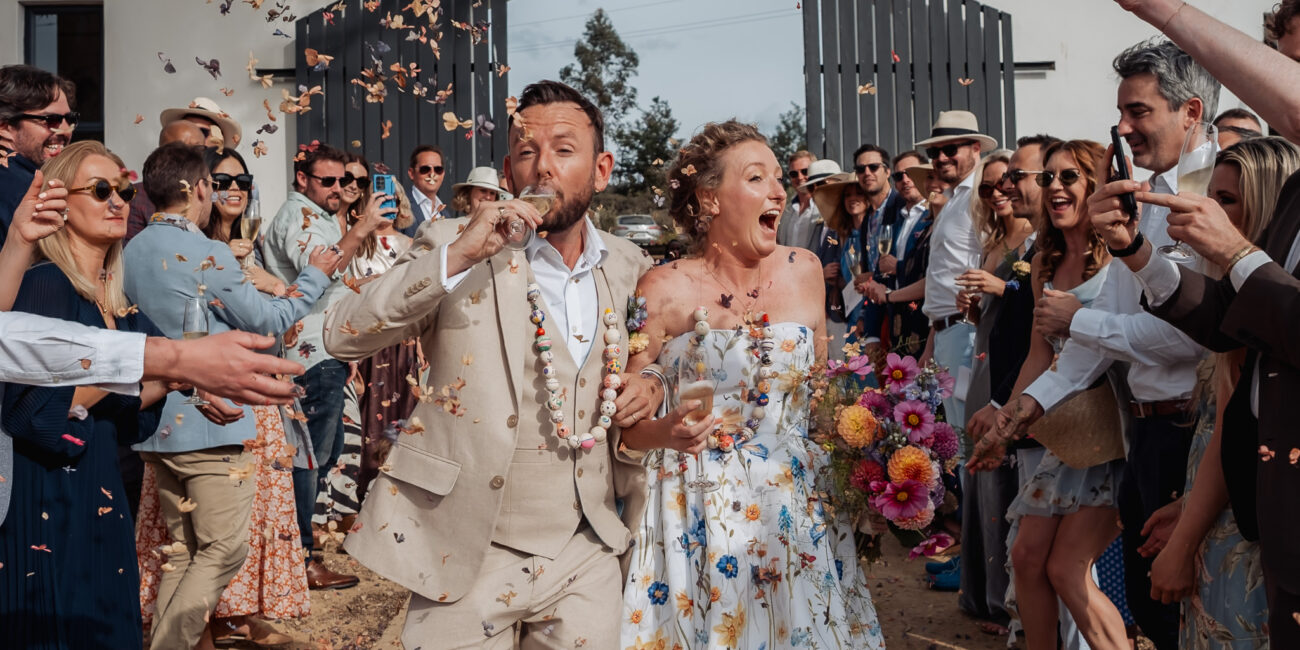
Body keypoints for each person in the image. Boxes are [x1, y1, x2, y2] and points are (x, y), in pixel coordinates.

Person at [322, 79, 662, 648]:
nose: (543, 168)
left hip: (587, 548)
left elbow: (659, 356)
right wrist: (458, 256)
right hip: (466, 549)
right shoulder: (452, 240)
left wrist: (650, 379)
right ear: (508, 172)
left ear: (601, 170)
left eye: (563, 148)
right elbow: (343, 332)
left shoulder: (629, 264)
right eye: (527, 152)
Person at [617, 119, 884, 650]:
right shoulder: (661, 287)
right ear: (711, 199)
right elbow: (627, 428)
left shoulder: (805, 269)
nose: (780, 192)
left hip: (796, 507)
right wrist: (666, 432)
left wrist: (872, 451)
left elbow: (820, 397)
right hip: (697, 512)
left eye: (779, 179)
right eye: (757, 178)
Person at [993, 38, 1218, 650]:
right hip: (1142, 432)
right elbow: (1103, 338)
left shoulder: (1216, 194)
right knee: (1152, 603)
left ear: (1190, 112)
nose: (1124, 127)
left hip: (1193, 437)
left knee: (1188, 606)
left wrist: (1074, 320)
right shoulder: (1141, 201)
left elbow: (1183, 339)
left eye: (1138, 111)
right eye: (1121, 113)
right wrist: (1026, 409)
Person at [1105, 1, 1300, 644]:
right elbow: (1233, 329)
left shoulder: (1252, 181)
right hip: (1260, 501)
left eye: (1293, 66)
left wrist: (1236, 252)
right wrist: (1136, 250)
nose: (1282, 84)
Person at [125, 142, 338, 650]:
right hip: (212, 419)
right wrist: (314, 279)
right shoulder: (207, 252)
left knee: (183, 549)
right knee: (222, 549)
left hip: (154, 418)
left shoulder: (129, 250)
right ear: (198, 189)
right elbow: (266, 324)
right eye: (212, 186)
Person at [0, 140, 169, 649]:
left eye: (123, 189)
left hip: (99, 485)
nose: (118, 200)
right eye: (100, 190)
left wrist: (188, 378)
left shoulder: (117, 301)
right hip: (51, 497)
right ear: (61, 203)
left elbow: (125, 405)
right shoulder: (47, 284)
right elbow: (29, 413)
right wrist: (126, 366)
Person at [970, 139, 1129, 650]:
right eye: (1048, 178)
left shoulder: (1122, 258)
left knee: (1067, 568)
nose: (1054, 187)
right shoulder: (1043, 260)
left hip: (1113, 434)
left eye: (1069, 178)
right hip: (1062, 432)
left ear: (1095, 186)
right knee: (1026, 557)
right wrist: (1001, 428)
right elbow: (1039, 357)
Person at [1143, 137, 1298, 649]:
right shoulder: (1240, 295)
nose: (1207, 212)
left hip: (1253, 522)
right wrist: (1132, 249)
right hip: (1226, 505)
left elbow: (1234, 425)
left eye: (1225, 201)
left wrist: (1186, 535)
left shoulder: (1267, 300)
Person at [261, 142, 393, 590]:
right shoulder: (298, 217)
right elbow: (319, 270)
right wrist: (365, 227)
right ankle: (300, 559)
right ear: (303, 179)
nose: (339, 189)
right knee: (308, 459)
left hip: (327, 351)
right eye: (328, 181)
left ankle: (302, 550)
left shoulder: (319, 217)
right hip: (307, 354)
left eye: (344, 181)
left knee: (327, 453)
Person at [949, 148, 1029, 629]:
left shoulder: (1036, 240)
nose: (998, 192)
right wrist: (972, 305)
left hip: (1012, 367)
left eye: (1005, 182)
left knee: (1002, 477)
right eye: (987, 187)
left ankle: (1007, 602)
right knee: (977, 477)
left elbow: (1033, 306)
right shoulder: (992, 242)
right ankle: (980, 592)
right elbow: (990, 317)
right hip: (982, 357)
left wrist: (1000, 290)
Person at [918, 110, 997, 430]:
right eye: (934, 152)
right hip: (947, 332)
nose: (941, 158)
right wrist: (932, 342)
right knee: (957, 435)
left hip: (968, 330)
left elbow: (996, 259)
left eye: (951, 150)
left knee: (968, 435)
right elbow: (943, 277)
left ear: (976, 149)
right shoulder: (954, 198)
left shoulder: (980, 195)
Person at [863, 160, 948, 358]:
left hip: (932, 324)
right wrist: (872, 333)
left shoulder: (950, 222)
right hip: (902, 325)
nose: (906, 180)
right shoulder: (902, 218)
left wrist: (892, 287)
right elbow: (882, 271)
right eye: (899, 176)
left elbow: (933, 277)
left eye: (911, 174)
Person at [0, 64, 75, 249]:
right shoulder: (27, 190)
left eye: (70, 119)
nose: (65, 130)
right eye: (51, 120)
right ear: (5, 127)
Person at [126, 121, 207, 242]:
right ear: (161, 153)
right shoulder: (137, 197)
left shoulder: (209, 191)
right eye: (179, 150)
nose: (189, 156)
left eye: (197, 149)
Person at [157, 97, 242, 152]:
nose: (191, 139)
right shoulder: (154, 178)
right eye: (184, 132)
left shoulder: (235, 179)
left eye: (202, 132)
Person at [776, 149, 821, 251]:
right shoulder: (785, 211)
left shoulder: (825, 209)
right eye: (794, 174)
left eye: (805, 171)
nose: (800, 177)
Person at [401, 143, 447, 236]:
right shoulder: (399, 205)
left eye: (438, 169)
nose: (432, 174)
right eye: (425, 169)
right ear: (411, 173)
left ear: (443, 174)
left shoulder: (445, 212)